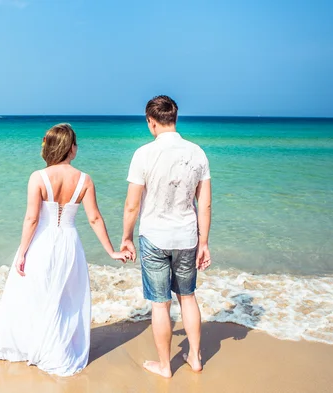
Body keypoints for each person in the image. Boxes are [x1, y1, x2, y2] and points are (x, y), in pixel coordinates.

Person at [0, 123, 131, 376]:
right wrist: (111, 251)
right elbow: (95, 218)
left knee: (37, 295)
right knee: (65, 299)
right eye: (76, 144)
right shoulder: (84, 179)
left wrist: (22, 251)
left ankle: (35, 346)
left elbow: (31, 219)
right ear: (71, 149)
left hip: (42, 242)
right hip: (69, 242)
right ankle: (58, 350)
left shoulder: (38, 177)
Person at [120, 95, 212, 378]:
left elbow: (132, 204)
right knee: (188, 297)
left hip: (154, 237)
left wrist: (126, 237)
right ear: (174, 118)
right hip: (187, 237)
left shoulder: (143, 154)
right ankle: (195, 358)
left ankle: (165, 366)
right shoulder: (197, 153)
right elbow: (205, 203)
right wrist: (204, 242)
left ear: (151, 121)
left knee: (160, 303)